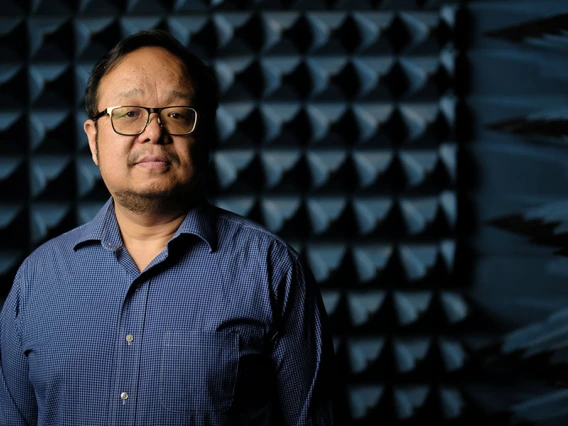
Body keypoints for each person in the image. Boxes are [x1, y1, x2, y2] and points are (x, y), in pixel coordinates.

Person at [0, 29, 339, 425]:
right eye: (129, 114)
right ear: (93, 140)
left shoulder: (272, 271)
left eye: (176, 114)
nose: (153, 132)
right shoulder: (37, 278)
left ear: (205, 135)